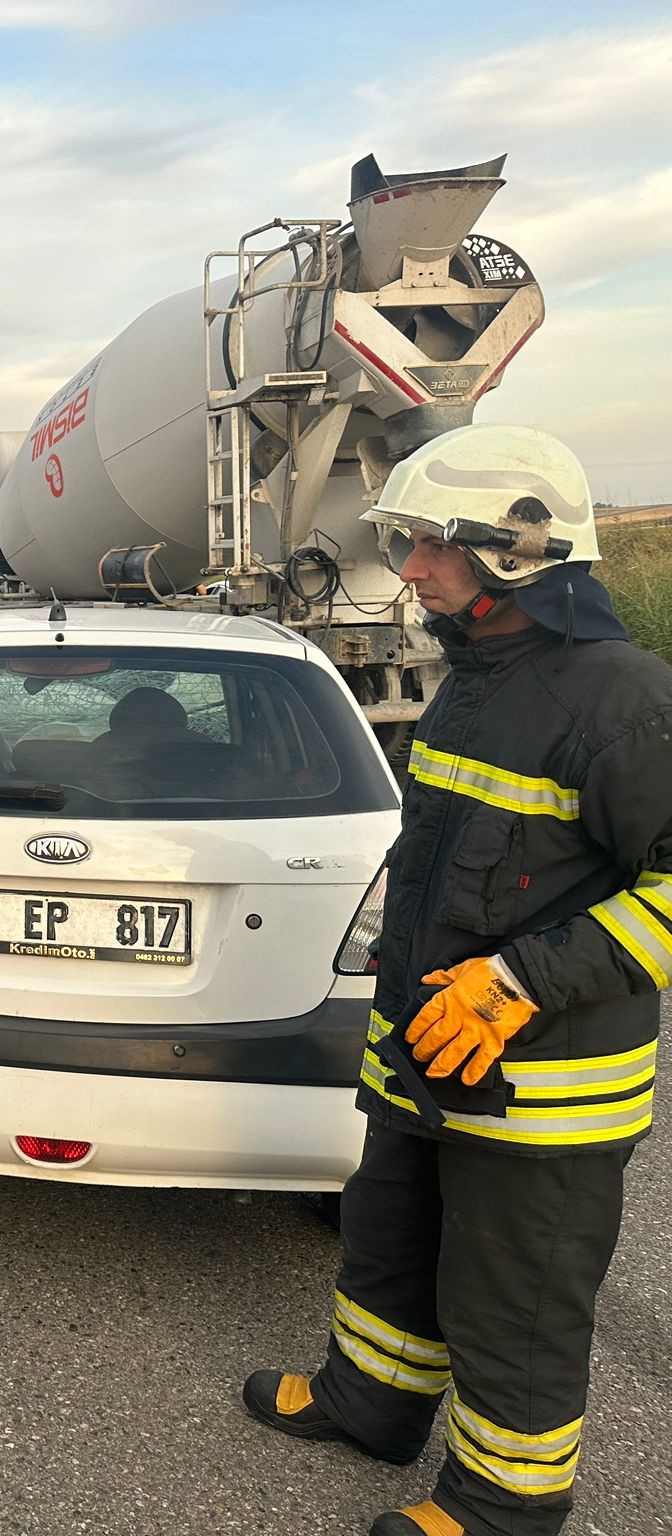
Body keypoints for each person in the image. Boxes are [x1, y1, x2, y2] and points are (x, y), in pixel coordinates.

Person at [242, 426, 672, 1536]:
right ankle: (367, 1402)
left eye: (430, 545)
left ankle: (501, 1508)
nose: (411, 568)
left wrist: (522, 981)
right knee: (388, 1236)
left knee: (513, 1296)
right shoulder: (475, 679)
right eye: (408, 542)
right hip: (424, 1052)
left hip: (539, 1086)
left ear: (516, 553)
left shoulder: (621, 700)